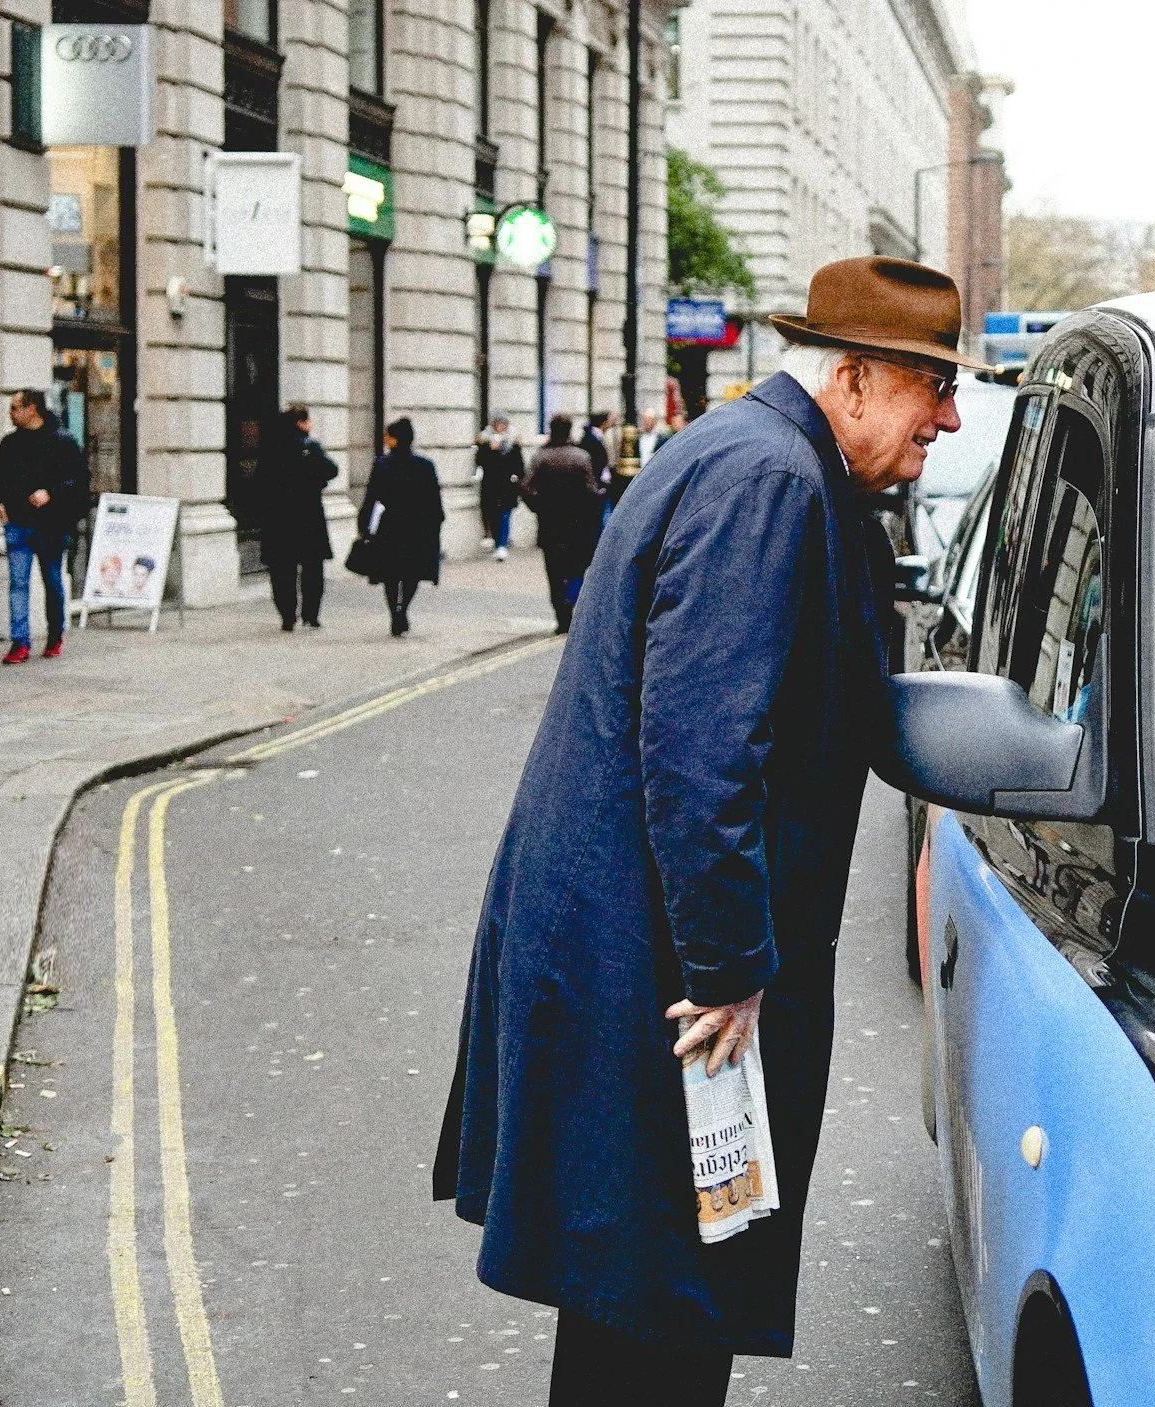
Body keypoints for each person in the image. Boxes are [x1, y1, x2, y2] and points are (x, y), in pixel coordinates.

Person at [434, 256, 975, 1403]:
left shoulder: (755, 457)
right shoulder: (771, 483)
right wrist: (731, 970)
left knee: (637, 1307)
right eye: (933, 383)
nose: (949, 413)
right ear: (860, 377)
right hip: (667, 969)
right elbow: (699, 753)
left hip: (638, 945)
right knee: (660, 1314)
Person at [0, 388, 88, 663]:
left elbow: (79, 482)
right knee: (17, 584)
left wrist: (51, 493)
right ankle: (19, 642)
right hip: (18, 522)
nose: (11, 413)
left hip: (51, 526)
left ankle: (55, 634)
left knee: (52, 582)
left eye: (15, 407)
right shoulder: (9, 443)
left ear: (32, 409)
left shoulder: (62, 441)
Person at [353, 417, 445, 636]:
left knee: (391, 574)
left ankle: (395, 613)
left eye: (388, 436)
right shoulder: (425, 465)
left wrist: (363, 525)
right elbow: (434, 501)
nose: (385, 439)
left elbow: (371, 498)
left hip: (391, 526)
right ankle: (403, 610)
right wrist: (436, 525)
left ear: (394, 439)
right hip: (418, 527)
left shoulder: (382, 464)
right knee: (412, 573)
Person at [518, 414, 601, 633]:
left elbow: (525, 487)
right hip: (577, 523)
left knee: (554, 572)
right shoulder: (581, 457)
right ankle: (570, 602)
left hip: (550, 523)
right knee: (577, 567)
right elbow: (591, 491)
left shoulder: (541, 458)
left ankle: (561, 616)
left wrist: (538, 506)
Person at [263, 404, 340, 631]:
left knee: (281, 568)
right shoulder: (310, 447)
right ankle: (311, 615)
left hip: (279, 517)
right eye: (308, 420)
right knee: (312, 567)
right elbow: (332, 470)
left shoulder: (272, 448)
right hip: (308, 515)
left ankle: (287, 615)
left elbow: (261, 481)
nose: (311, 425)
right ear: (301, 423)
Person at [477, 415, 526, 561]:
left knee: (505, 514)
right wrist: (490, 450)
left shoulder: (513, 441)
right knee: (493, 515)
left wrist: (517, 480)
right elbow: (480, 461)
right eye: (497, 424)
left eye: (502, 424)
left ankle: (502, 545)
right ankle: (498, 542)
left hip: (507, 485)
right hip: (490, 485)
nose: (500, 427)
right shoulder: (485, 440)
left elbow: (518, 464)